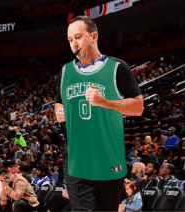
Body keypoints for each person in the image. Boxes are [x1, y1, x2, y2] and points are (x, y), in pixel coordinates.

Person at [55, 16, 143, 211]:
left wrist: (105, 102)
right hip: (76, 155)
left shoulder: (117, 67)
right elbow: (58, 103)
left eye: (77, 37)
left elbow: (138, 107)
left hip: (107, 155)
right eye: (70, 40)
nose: (73, 44)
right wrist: (60, 112)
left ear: (93, 36)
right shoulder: (65, 72)